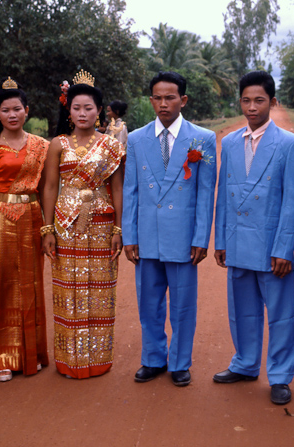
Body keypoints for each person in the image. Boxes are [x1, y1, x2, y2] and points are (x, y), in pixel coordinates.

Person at [213, 71, 294, 405]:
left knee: (281, 314)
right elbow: (224, 193)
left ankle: (280, 375)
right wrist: (220, 240)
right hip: (237, 242)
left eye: (260, 100)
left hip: (271, 248)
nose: (252, 107)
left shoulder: (290, 144)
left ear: (273, 102)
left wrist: (284, 248)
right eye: (247, 101)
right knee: (242, 310)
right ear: (240, 102)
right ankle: (245, 363)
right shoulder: (230, 142)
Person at [122, 71, 217, 387]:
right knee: (148, 302)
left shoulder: (202, 139)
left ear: (183, 100)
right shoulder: (136, 139)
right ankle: (152, 358)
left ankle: (179, 362)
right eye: (157, 98)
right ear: (151, 100)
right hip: (147, 235)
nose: (163, 104)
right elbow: (131, 191)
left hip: (183, 237)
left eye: (170, 97)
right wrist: (130, 236)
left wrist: (201, 237)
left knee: (183, 304)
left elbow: (205, 193)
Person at [42, 70, 125, 379]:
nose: (82, 113)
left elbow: (117, 189)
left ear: (99, 110)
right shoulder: (58, 144)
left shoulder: (112, 146)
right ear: (69, 110)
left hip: (102, 222)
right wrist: (47, 229)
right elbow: (50, 187)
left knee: (99, 288)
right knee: (69, 287)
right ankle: (69, 361)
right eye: (76, 107)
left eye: (88, 107)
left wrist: (118, 229)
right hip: (65, 223)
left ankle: (98, 360)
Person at [0, 77, 49, 382]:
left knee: (31, 284)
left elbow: (47, 189)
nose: (12, 114)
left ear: (26, 110)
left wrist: (48, 228)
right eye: (5, 110)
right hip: (0, 216)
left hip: (32, 214)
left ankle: (32, 353)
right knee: (1, 284)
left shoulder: (41, 146)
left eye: (17, 108)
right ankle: (0, 357)